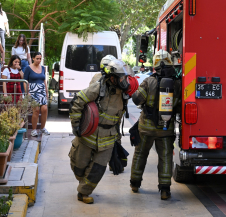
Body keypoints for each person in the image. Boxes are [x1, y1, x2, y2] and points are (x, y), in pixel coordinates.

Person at [69, 59, 137, 204]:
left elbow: (119, 118)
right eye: (121, 78)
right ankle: (82, 181)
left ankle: (83, 192)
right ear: (112, 78)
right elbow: (78, 101)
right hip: (89, 133)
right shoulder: (98, 88)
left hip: (108, 138)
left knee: (98, 169)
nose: (125, 81)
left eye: (125, 78)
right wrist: (76, 125)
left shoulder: (124, 94)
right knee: (79, 166)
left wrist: (117, 140)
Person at [129, 49, 181, 200]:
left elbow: (137, 100)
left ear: (155, 64)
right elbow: (178, 107)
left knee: (140, 154)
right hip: (166, 129)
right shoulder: (176, 84)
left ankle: (135, 184)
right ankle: (165, 190)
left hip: (146, 128)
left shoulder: (148, 81)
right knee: (165, 157)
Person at [24, 52, 49, 137]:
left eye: (40, 58)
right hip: (32, 90)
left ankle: (42, 128)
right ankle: (34, 130)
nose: (39, 60)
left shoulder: (42, 68)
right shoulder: (28, 68)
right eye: (37, 58)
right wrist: (27, 92)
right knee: (36, 110)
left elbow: (44, 80)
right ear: (33, 58)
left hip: (41, 90)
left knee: (44, 109)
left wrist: (46, 91)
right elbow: (25, 81)